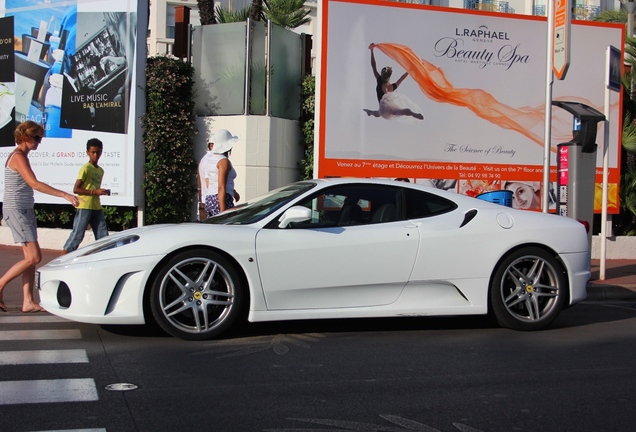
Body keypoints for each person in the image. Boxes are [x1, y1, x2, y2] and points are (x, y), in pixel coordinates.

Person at [0, 121, 79, 313]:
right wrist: (65, 194)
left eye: (40, 138)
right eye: (36, 138)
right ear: (25, 136)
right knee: (35, 256)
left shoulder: (21, 156)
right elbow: (34, 184)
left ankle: (28, 301)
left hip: (23, 209)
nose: (39, 142)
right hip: (17, 210)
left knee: (30, 258)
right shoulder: (18, 156)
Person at [62, 138, 110, 254]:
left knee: (103, 235)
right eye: (93, 152)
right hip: (85, 205)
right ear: (87, 152)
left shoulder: (100, 170)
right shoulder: (85, 168)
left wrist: (102, 192)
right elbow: (76, 189)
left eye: (98, 152)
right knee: (78, 234)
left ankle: (105, 257)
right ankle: (63, 256)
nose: (95, 155)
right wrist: (94, 192)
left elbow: (94, 187)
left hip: (96, 206)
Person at [363, 43, 424, 121]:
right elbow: (401, 78)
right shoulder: (392, 86)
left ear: (382, 75)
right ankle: (413, 113)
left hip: (383, 110)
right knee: (401, 111)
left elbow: (373, 66)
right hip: (389, 110)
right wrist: (409, 71)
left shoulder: (379, 80)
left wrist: (372, 51)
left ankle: (370, 113)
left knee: (379, 113)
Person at [204, 129, 241, 217]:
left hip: (209, 198)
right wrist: (223, 210)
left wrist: (233, 192)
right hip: (221, 199)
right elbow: (221, 186)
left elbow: (208, 182)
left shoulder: (211, 159)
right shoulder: (223, 161)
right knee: (226, 228)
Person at [197, 141, 215, 220]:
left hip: (207, 202)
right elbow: (209, 184)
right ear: (211, 146)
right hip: (211, 204)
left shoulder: (206, 158)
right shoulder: (210, 160)